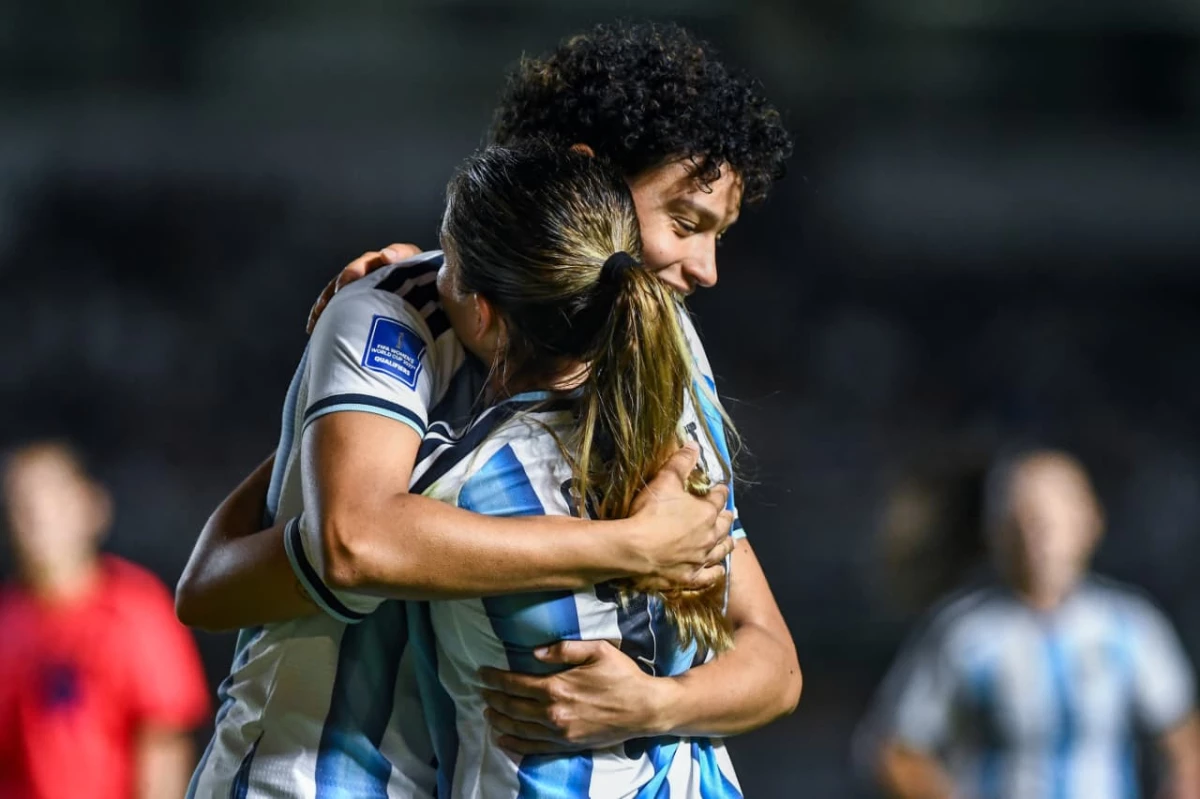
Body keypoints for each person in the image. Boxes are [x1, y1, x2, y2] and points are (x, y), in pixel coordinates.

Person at [177, 21, 799, 797]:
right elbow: (347, 544)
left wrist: (657, 703)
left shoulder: (665, 355)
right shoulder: (393, 319)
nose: (706, 268)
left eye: (718, 234)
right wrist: (628, 545)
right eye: (685, 221)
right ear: (589, 176)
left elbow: (769, 653)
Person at [859, 449, 1200, 799]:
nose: (1036, 536)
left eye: (1050, 518)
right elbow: (896, 750)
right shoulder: (963, 632)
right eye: (1020, 518)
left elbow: (1184, 742)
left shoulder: (1130, 625)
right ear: (995, 531)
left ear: (1091, 521)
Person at [0, 440, 210, 799]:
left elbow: (163, 743)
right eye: (23, 504)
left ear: (91, 506)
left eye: (53, 499)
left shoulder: (136, 610)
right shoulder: (8, 621)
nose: (39, 517)